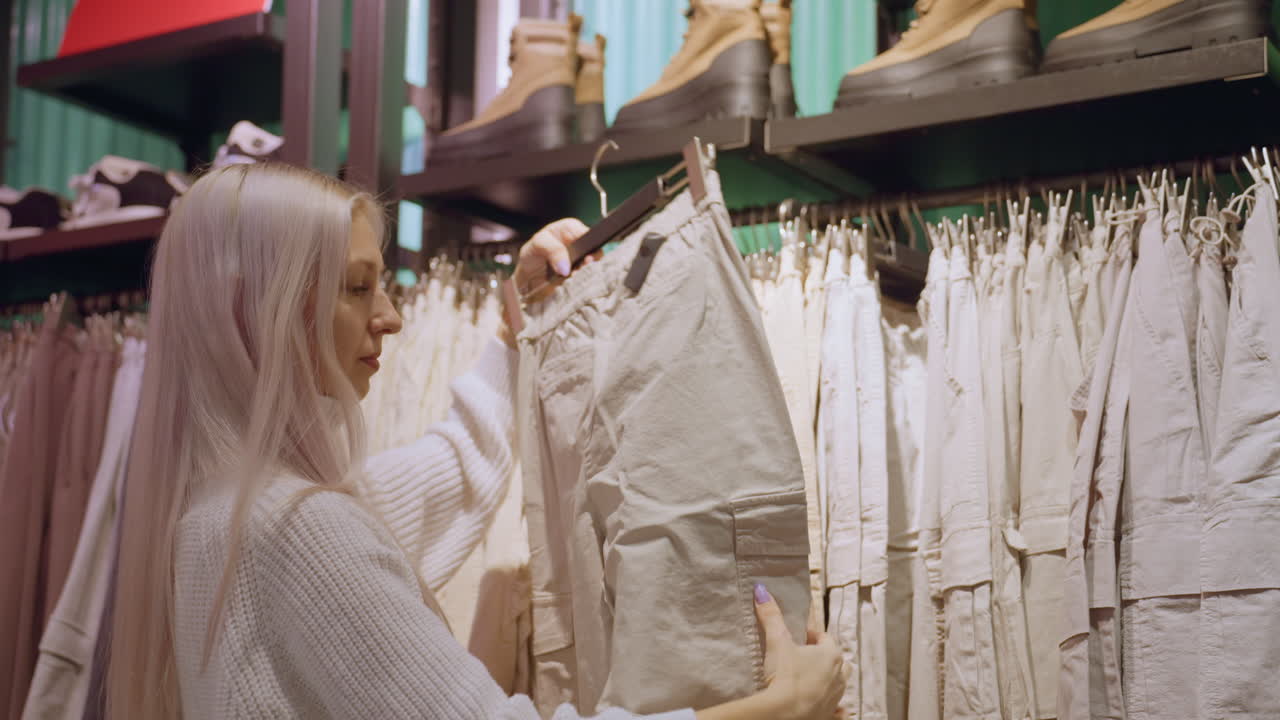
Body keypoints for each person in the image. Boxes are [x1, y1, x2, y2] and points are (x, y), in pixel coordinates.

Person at [105, 162, 845, 719]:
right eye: (357, 287)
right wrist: (781, 705)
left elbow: (455, 465)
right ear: (264, 307)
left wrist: (516, 324)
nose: (391, 316)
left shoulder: (218, 511)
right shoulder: (297, 531)